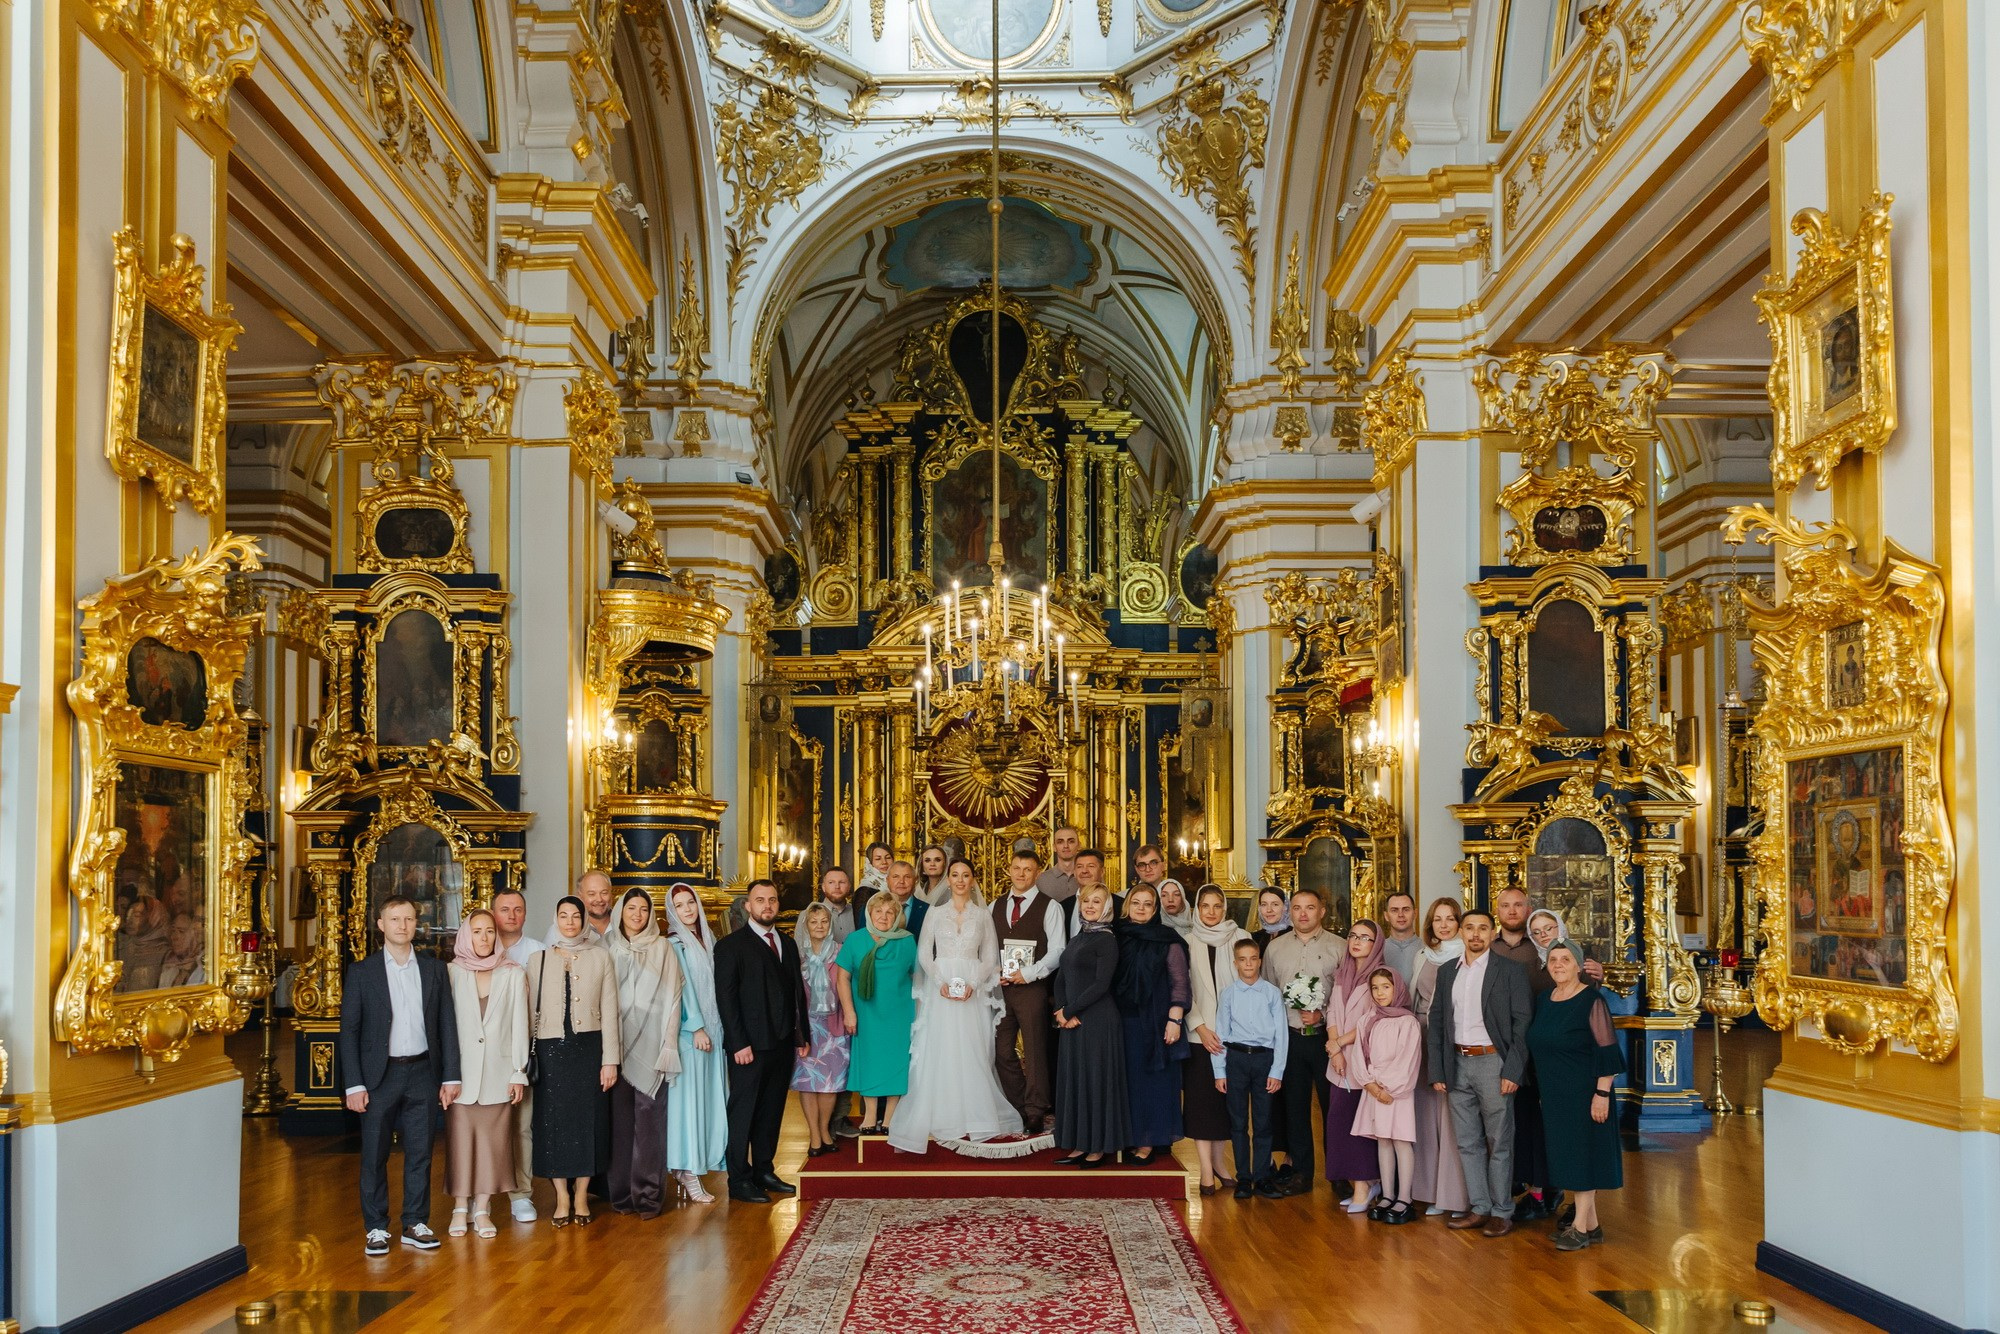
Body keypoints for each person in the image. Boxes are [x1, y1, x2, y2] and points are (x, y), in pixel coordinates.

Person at [340, 895, 461, 1256]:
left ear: (415, 924)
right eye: (395, 919)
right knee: (374, 1154)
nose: (402, 926)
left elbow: (446, 1026)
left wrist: (451, 1076)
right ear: (381, 925)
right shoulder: (362, 972)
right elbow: (349, 1031)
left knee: (421, 1152)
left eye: (408, 919)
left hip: (423, 1072)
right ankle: (376, 1228)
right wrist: (354, 1083)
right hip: (380, 1077)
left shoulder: (434, 970)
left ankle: (415, 1222)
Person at [887, 858, 1024, 1152]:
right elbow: (925, 953)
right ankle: (941, 1112)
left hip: (972, 991)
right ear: (948, 880)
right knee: (942, 1047)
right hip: (942, 989)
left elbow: (990, 956)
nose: (960, 880)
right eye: (955, 875)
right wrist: (941, 982)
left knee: (973, 1047)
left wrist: (974, 983)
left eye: (966, 875)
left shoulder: (982, 915)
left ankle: (975, 1115)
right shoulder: (935, 914)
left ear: (973, 880)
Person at [1424, 908, 1534, 1237]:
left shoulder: (1511, 971)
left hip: (1493, 1063)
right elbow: (1437, 1022)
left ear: (1492, 933)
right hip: (1457, 1063)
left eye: (1482, 929)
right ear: (1461, 932)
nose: (1475, 934)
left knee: (1499, 1140)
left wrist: (1512, 1070)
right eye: (1469, 928)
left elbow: (1522, 1025)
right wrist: (1438, 1069)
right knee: (1468, 1142)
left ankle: (1502, 1210)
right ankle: (1480, 1206)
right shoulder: (1447, 972)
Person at [712, 879, 810, 1204]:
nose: (767, 906)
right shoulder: (730, 946)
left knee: (771, 1111)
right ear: (748, 906)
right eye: (760, 900)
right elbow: (726, 1000)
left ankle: (764, 1170)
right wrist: (738, 1043)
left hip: (781, 1043)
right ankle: (739, 1179)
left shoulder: (787, 943)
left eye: (772, 899)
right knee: (744, 1112)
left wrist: (801, 1035)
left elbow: (797, 994)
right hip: (748, 1048)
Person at [527, 896, 621, 1226]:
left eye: (575, 916)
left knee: (588, 1121)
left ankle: (581, 1194)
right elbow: (527, 1014)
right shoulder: (537, 959)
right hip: (551, 1051)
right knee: (552, 1124)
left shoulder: (600, 956)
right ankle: (561, 1197)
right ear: (555, 918)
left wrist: (610, 1060)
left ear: (583, 920)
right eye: (563, 916)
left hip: (589, 1049)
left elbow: (611, 1011)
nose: (570, 922)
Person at [1529, 940, 1627, 1251]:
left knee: (1584, 1157)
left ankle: (1580, 1228)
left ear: (1578, 966)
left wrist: (1601, 1093)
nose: (1558, 965)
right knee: (1568, 1156)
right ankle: (1593, 1225)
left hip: (1586, 1093)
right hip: (1555, 1094)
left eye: (1566, 960)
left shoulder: (1591, 1000)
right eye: (1553, 960)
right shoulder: (1546, 999)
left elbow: (1608, 1050)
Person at [444, 910, 529, 1240]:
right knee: (461, 1143)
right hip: (461, 1078)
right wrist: (445, 1076)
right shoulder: (452, 973)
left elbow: (520, 1026)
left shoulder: (512, 973)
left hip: (499, 1073)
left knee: (494, 1146)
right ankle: (459, 1208)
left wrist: (518, 1071)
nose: (484, 938)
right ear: (466, 935)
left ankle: (482, 1208)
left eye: (489, 931)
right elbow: (444, 1029)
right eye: (477, 931)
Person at [1260, 885, 1345, 1194]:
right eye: (1296, 908)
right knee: (1295, 1110)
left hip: (1327, 1040)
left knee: (1332, 1108)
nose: (1303, 914)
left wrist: (1322, 1016)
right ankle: (1302, 1174)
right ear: (1289, 912)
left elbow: (1347, 996)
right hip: (1290, 1040)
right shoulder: (1275, 948)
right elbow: (1268, 994)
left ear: (1321, 911)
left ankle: (1339, 1174)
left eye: (1309, 907)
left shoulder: (1340, 946)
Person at [604, 888, 683, 1219]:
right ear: (620, 911)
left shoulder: (662, 948)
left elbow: (673, 999)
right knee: (619, 1125)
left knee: (650, 1124)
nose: (637, 914)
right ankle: (621, 1194)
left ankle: (648, 1195)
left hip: (653, 1046)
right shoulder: (605, 947)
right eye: (631, 908)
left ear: (652, 914)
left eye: (644, 909)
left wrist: (668, 1045)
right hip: (613, 1047)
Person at [1051, 885, 1129, 1167]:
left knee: (1094, 1083)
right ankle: (1079, 1143)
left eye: (1097, 901)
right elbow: (1062, 976)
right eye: (1087, 901)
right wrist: (1061, 1011)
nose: (1090, 906)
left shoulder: (1106, 940)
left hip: (1097, 1020)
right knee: (1076, 1081)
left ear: (1107, 906)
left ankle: (1096, 1148)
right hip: (1072, 1020)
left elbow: (1101, 984)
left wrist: (1070, 1010)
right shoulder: (1079, 936)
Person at [1112, 884, 1190, 1161]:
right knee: (1128, 1081)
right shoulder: (1117, 936)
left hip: (1157, 1022)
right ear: (1127, 906)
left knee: (1153, 1082)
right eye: (1136, 903)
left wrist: (1175, 1019)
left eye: (1148, 904)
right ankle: (1128, 1136)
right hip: (1123, 1020)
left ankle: (1148, 1141)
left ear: (1155, 909)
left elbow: (1180, 983)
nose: (1142, 908)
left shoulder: (1167, 939)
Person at [993, 848, 1067, 1134]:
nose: (1021, 874)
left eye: (1027, 869)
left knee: (1036, 1051)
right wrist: (994, 972)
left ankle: (1036, 1110)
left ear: (1037, 872)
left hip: (1033, 989)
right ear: (1009, 870)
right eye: (1016, 868)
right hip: (1001, 991)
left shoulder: (1050, 907)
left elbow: (1059, 950)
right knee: (1001, 1050)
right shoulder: (995, 905)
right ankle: (1018, 1105)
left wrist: (1029, 973)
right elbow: (988, 948)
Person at [1183, 885, 1250, 1193]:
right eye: (1205, 906)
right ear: (1197, 909)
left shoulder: (1240, 939)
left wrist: (1232, 1028)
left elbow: (1249, 987)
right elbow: (1183, 992)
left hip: (1234, 1036)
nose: (1211, 912)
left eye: (1217, 906)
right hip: (1200, 1036)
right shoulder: (1186, 942)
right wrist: (1200, 1027)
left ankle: (1222, 1163)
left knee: (1227, 1104)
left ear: (1225, 909)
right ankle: (1206, 1170)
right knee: (1201, 1104)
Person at [664, 884, 727, 1204]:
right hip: (691, 1036)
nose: (687, 908)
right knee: (688, 1105)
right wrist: (697, 1027)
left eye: (691, 902)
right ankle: (687, 1169)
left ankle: (695, 1164)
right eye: (680, 904)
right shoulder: (674, 944)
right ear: (671, 910)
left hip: (714, 1032)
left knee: (707, 1101)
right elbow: (680, 990)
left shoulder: (708, 938)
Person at [836, 891, 919, 1132]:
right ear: (869, 914)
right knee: (870, 1061)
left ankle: (891, 1118)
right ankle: (870, 1116)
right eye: (878, 911)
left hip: (900, 1014)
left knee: (898, 1062)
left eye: (890, 912)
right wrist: (849, 1013)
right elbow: (843, 978)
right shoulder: (856, 940)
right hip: (866, 1013)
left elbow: (918, 976)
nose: (884, 916)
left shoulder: (907, 941)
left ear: (897, 916)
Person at [1212, 938, 1288, 1199]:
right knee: (1238, 1122)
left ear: (1259, 960)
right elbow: (1221, 1033)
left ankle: (1263, 1176)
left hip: (1264, 1060)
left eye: (1252, 958)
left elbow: (1281, 1035)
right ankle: (1244, 1177)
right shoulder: (1228, 994)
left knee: (1263, 1121)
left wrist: (1277, 1070)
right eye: (1242, 959)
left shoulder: (1272, 993)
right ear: (1235, 963)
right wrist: (1219, 1071)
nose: (1248, 964)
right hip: (1236, 1059)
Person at [1410, 897, 1471, 1219]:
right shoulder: (1423, 956)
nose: (1444, 925)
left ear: (1459, 923)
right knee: (1424, 1117)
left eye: (1450, 918)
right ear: (1430, 924)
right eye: (1438, 919)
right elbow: (1414, 997)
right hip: (1420, 1038)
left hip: (1450, 1039)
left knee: (1450, 1119)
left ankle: (1453, 1195)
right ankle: (1426, 1190)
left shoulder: (1466, 956)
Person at [1349, 966, 1422, 1224]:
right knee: (1383, 1141)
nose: (1380, 993)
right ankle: (1388, 1195)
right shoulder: (1368, 1019)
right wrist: (1370, 1085)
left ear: (1397, 988)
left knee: (1401, 1141)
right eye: (1375, 988)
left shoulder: (1407, 1022)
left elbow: (1408, 1060)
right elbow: (1359, 1055)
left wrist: (1387, 1088)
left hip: (1397, 1092)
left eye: (1386, 987)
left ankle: (1405, 1198)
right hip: (1375, 1090)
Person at [1323, 918, 1385, 1211]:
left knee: (1360, 1126)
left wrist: (1341, 1044)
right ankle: (1361, 1183)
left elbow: (1370, 1019)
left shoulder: (1380, 974)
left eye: (1365, 937)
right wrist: (1334, 1049)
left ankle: (1365, 1185)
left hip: (1363, 1060)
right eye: (1353, 936)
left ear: (1376, 945)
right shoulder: (1342, 973)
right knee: (1338, 1122)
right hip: (1339, 1062)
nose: (1357, 941)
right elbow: (1333, 1011)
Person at [489, 886, 543, 1222]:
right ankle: (481, 1194)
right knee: (486, 1128)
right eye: (505, 909)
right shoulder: (479, 947)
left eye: (518, 909)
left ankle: (521, 1194)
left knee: (522, 1126)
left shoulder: (538, 951)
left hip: (524, 1051)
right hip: (486, 1053)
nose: (512, 915)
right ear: (493, 913)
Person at [791, 903, 852, 1157]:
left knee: (831, 1083)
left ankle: (825, 1130)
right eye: (814, 922)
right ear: (806, 925)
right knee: (808, 1083)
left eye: (824, 921)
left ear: (830, 925)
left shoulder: (840, 952)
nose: (819, 926)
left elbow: (848, 985)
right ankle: (814, 1135)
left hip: (834, 1024)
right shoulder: (797, 955)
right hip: (806, 1026)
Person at [795, 866, 861, 950]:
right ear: (823, 887)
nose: (837, 886)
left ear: (849, 886)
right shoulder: (806, 915)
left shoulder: (857, 913)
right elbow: (799, 950)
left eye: (842, 882)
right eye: (831, 882)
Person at [1064, 847, 1121, 932]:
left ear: (1102, 871)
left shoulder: (1120, 905)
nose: (1084, 871)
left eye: (1091, 866)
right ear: (1074, 872)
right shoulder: (1063, 906)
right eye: (1079, 867)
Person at [1380, 891, 1424, 985]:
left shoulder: (1427, 949)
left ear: (1415, 914)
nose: (1401, 915)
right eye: (1394, 910)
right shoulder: (1377, 950)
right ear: (1386, 916)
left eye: (1406, 909)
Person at [885, 859, 929, 938]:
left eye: (907, 877)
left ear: (915, 880)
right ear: (887, 881)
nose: (901, 881)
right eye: (896, 877)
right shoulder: (871, 908)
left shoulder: (928, 910)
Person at [1036, 825, 1081, 903]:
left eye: (1071, 841)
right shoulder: (1041, 880)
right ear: (1054, 847)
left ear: (1079, 845)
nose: (1066, 846)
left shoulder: (1089, 877)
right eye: (1060, 842)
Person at [578, 870, 617, 941]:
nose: (599, 899)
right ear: (580, 897)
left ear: (611, 895)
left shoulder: (625, 924)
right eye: (592, 894)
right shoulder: (567, 928)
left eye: (604, 893)